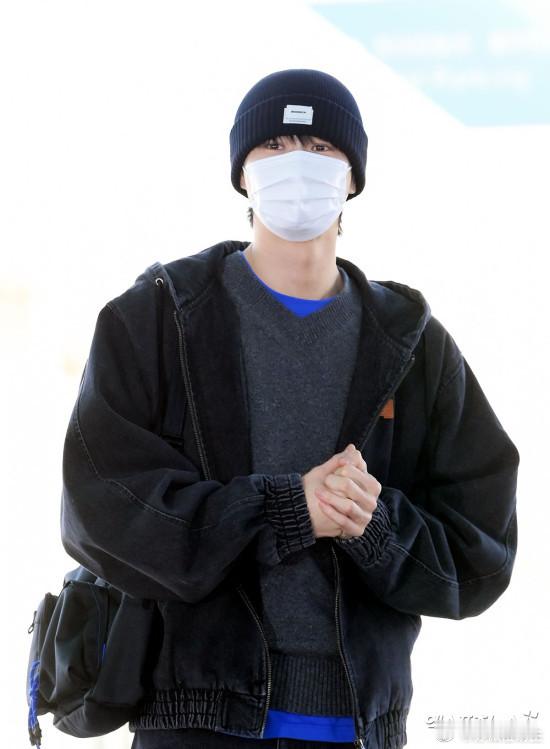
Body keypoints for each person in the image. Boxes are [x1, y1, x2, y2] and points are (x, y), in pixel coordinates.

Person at [60, 69, 520, 749]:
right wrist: (285, 510)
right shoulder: (159, 318)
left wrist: (375, 527)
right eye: (274, 144)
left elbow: (481, 552)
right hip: (193, 720)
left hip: (357, 729)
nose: (296, 162)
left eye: (320, 146)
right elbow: (100, 508)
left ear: (353, 176)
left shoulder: (414, 346)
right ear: (241, 173)